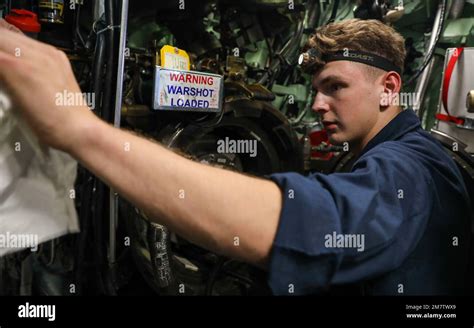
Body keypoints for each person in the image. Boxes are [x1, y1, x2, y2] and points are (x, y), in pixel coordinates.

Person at [0, 18, 471, 295]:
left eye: (336, 88)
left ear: (390, 88)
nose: (319, 105)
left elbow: (303, 222)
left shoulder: (412, 169)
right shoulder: (371, 156)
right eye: (316, 91)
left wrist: (80, 131)